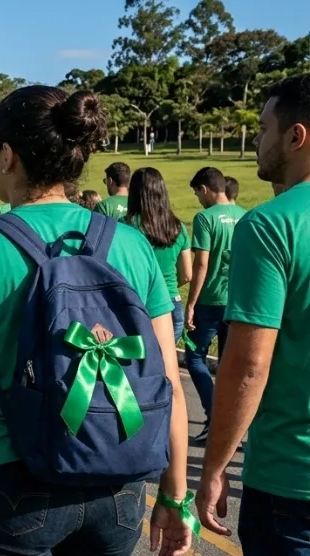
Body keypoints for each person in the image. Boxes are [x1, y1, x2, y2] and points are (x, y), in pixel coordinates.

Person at [0, 87, 192, 556]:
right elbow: (168, 380)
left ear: (8, 155)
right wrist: (175, 494)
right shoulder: (131, 245)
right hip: (117, 475)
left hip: (10, 475)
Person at [196, 74, 310, 553]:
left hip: (291, 480)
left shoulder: (272, 223)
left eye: (263, 129)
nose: (257, 140)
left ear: (296, 136)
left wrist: (215, 467)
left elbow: (247, 365)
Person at [184, 166, 247, 443]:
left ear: (204, 189)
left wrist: (191, 303)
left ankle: (214, 416)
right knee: (228, 363)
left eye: (198, 193)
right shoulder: (246, 215)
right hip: (237, 299)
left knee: (194, 357)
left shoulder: (205, 218)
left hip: (210, 299)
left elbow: (201, 263)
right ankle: (232, 424)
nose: (198, 199)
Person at [126, 168, 191, 347]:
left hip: (138, 303)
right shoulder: (179, 228)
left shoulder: (124, 226)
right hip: (172, 305)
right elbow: (187, 274)